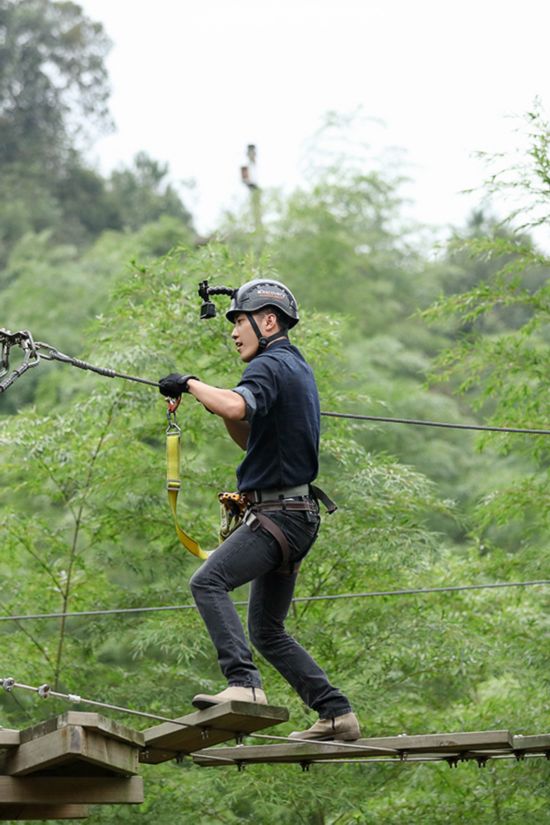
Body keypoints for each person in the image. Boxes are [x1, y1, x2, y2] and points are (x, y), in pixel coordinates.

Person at [159, 278, 360, 741]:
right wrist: (219, 407)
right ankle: (336, 713)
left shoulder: (269, 365)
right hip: (296, 516)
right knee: (268, 630)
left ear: (268, 322)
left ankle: (244, 684)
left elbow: (236, 403)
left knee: (207, 582)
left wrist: (190, 383)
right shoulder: (294, 367)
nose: (233, 333)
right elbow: (248, 433)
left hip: (280, 516)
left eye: (240, 322)